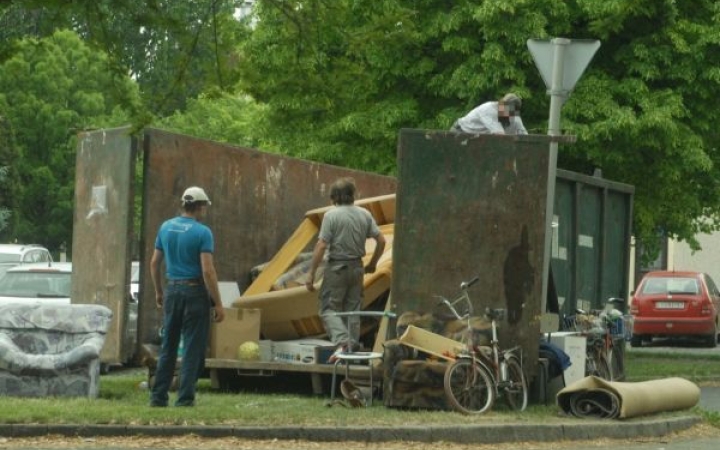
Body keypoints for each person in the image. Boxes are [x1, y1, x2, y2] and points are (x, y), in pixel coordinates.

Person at [149, 186, 225, 407]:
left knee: (168, 346)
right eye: (205, 206)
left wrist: (159, 291)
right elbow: (208, 271)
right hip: (194, 292)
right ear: (200, 206)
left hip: (172, 290)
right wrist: (218, 303)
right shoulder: (202, 232)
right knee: (192, 348)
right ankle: (184, 399)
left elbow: (154, 263)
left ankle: (158, 397)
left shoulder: (165, 227)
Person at [305, 178, 386, 359]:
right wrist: (373, 263)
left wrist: (310, 274)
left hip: (337, 268)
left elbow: (321, 246)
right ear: (353, 195)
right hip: (358, 268)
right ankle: (352, 347)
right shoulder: (364, 214)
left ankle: (343, 342)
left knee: (328, 309)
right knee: (352, 310)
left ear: (333, 197)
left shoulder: (331, 216)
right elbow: (381, 240)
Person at [450, 92, 528, 135]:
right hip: (461, 132)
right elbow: (500, 135)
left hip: (477, 137)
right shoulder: (488, 110)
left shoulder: (512, 115)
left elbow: (525, 136)